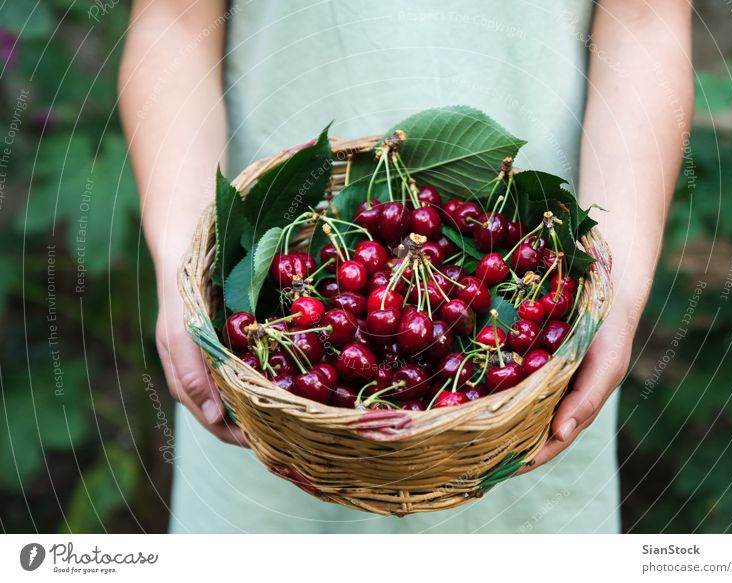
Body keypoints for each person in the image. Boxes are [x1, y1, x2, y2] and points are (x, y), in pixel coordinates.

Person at [119, 0, 693, 533]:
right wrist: (183, 267)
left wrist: (613, 289)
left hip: (533, 359)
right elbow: (174, 22)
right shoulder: (285, 326)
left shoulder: (520, 315)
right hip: (267, 374)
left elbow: (646, 23)